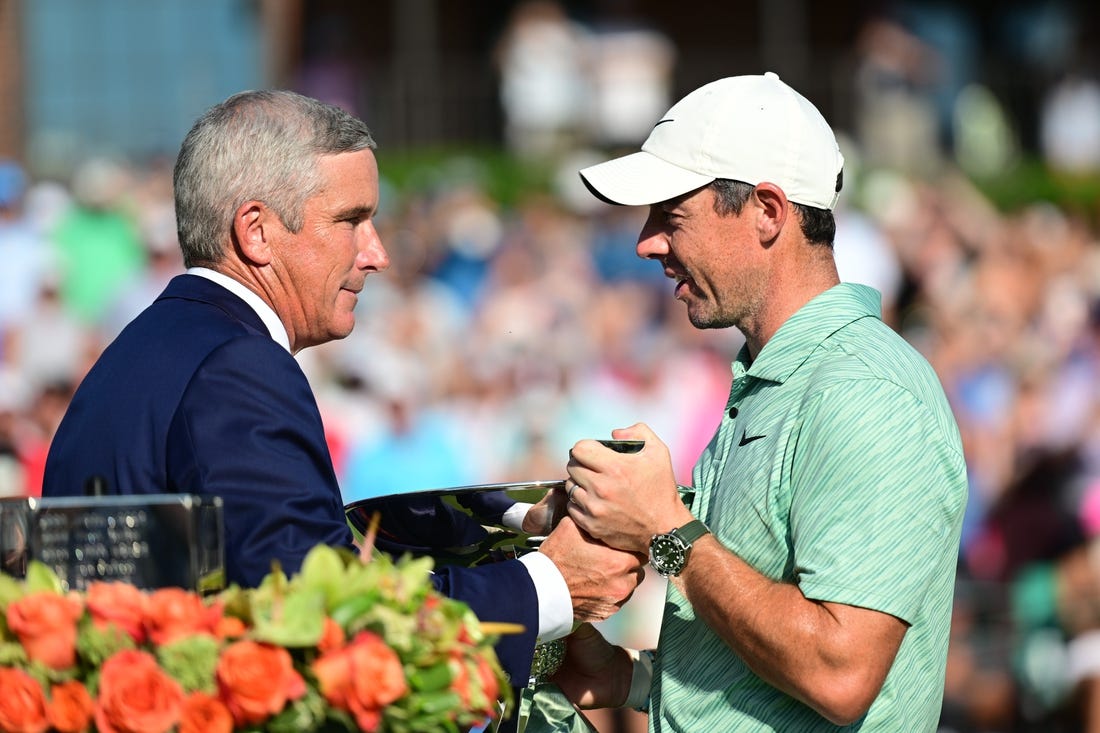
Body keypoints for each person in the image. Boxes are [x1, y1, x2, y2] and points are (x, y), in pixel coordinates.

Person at [41, 90, 646, 705]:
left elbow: (264, 562)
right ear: (257, 232)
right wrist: (550, 584)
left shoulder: (145, 347)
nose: (377, 253)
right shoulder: (239, 365)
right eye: (351, 220)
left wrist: (506, 522)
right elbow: (317, 615)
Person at [551, 73, 968, 730]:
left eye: (672, 214)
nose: (647, 242)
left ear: (768, 213)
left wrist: (666, 527)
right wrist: (629, 677)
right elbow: (763, 662)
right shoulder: (774, 379)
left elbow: (839, 671)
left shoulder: (863, 389)